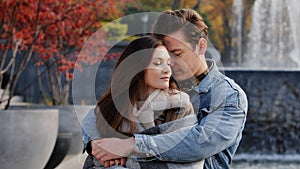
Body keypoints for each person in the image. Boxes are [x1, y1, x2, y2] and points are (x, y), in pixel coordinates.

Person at [82, 9, 248, 169]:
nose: (171, 63)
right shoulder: (159, 79)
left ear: (201, 46)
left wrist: (131, 145)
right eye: (164, 56)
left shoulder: (228, 96)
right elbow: (103, 109)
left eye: (177, 53)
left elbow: (200, 142)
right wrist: (97, 144)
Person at [82, 36, 204, 168]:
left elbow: (188, 157)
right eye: (158, 63)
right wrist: (97, 144)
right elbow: (94, 126)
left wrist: (123, 154)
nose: (167, 70)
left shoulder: (180, 105)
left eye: (169, 63)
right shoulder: (113, 106)